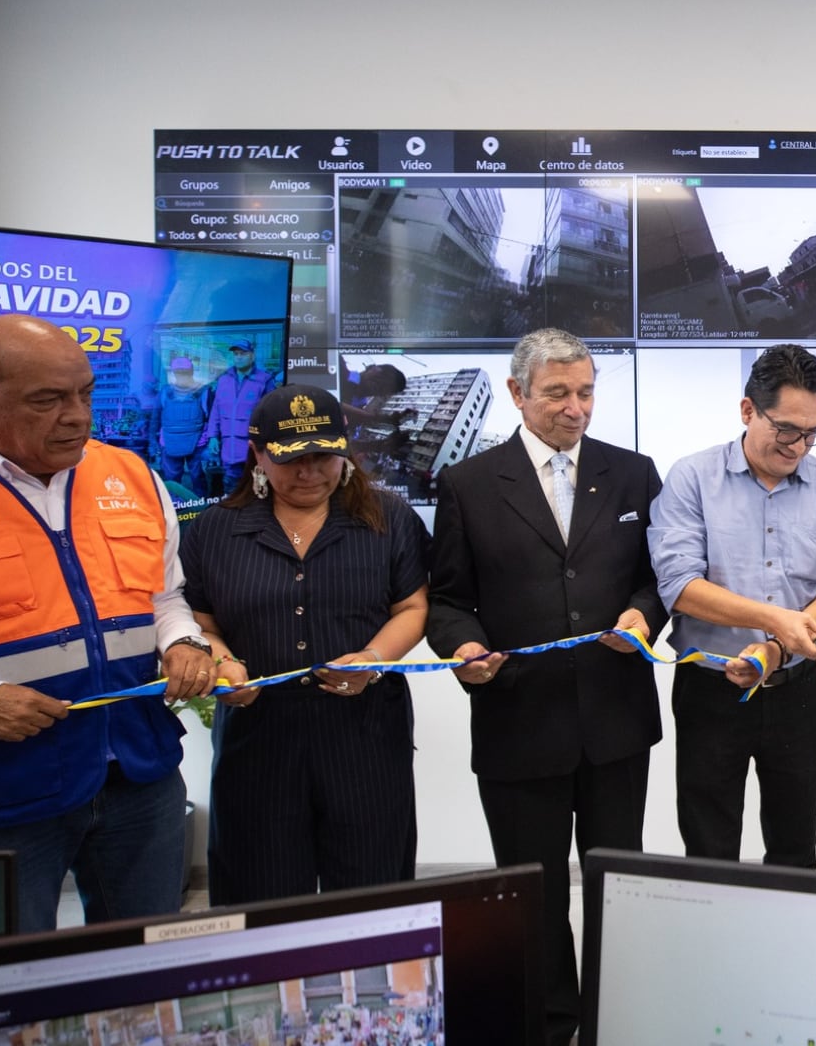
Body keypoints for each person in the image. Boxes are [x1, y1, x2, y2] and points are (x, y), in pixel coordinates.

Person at [0, 314, 216, 933]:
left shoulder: (133, 476)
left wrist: (182, 640)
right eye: (47, 400)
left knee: (147, 972)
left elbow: (162, 597)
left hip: (141, 774)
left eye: (84, 393)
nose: (78, 416)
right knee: (5, 990)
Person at [426, 329, 666, 1046]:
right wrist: (462, 647)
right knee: (531, 889)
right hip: (517, 717)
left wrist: (644, 615)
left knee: (616, 882)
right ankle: (553, 1020)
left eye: (586, 392)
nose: (576, 409)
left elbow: (661, 577)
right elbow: (447, 598)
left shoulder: (633, 474)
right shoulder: (469, 484)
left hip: (617, 718)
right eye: (557, 393)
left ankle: (614, 1012)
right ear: (517, 394)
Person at [180, 384, 430, 907]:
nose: (309, 473)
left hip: (364, 732)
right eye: (291, 460)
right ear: (258, 455)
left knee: (372, 891)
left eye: (324, 458)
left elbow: (411, 608)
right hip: (258, 736)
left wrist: (374, 658)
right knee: (261, 894)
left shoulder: (388, 519)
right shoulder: (215, 530)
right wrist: (222, 663)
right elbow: (200, 620)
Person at [648, 344, 816, 869]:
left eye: (812, 432)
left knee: (794, 850)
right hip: (709, 690)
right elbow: (679, 584)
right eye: (786, 429)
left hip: (800, 693)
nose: (799, 446)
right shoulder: (691, 478)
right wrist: (777, 622)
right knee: (709, 849)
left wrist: (776, 646)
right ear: (748, 411)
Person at [200, 338, 278, 494]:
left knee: (257, 490)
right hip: (230, 448)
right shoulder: (224, 380)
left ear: (252, 356)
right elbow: (216, 410)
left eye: (243, 353)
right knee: (231, 490)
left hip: (254, 448)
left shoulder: (264, 380)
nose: (239, 357)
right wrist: (213, 436)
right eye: (236, 354)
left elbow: (272, 413)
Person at [155, 355, 210, 496]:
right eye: (178, 372)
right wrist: (152, 442)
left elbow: (213, 418)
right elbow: (155, 419)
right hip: (169, 441)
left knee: (198, 478)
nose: (181, 375)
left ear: (191, 372)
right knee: (172, 481)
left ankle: (202, 509)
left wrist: (211, 439)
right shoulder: (164, 393)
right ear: (173, 373)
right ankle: (174, 510)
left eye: (184, 372)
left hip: (197, 441)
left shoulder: (203, 392)